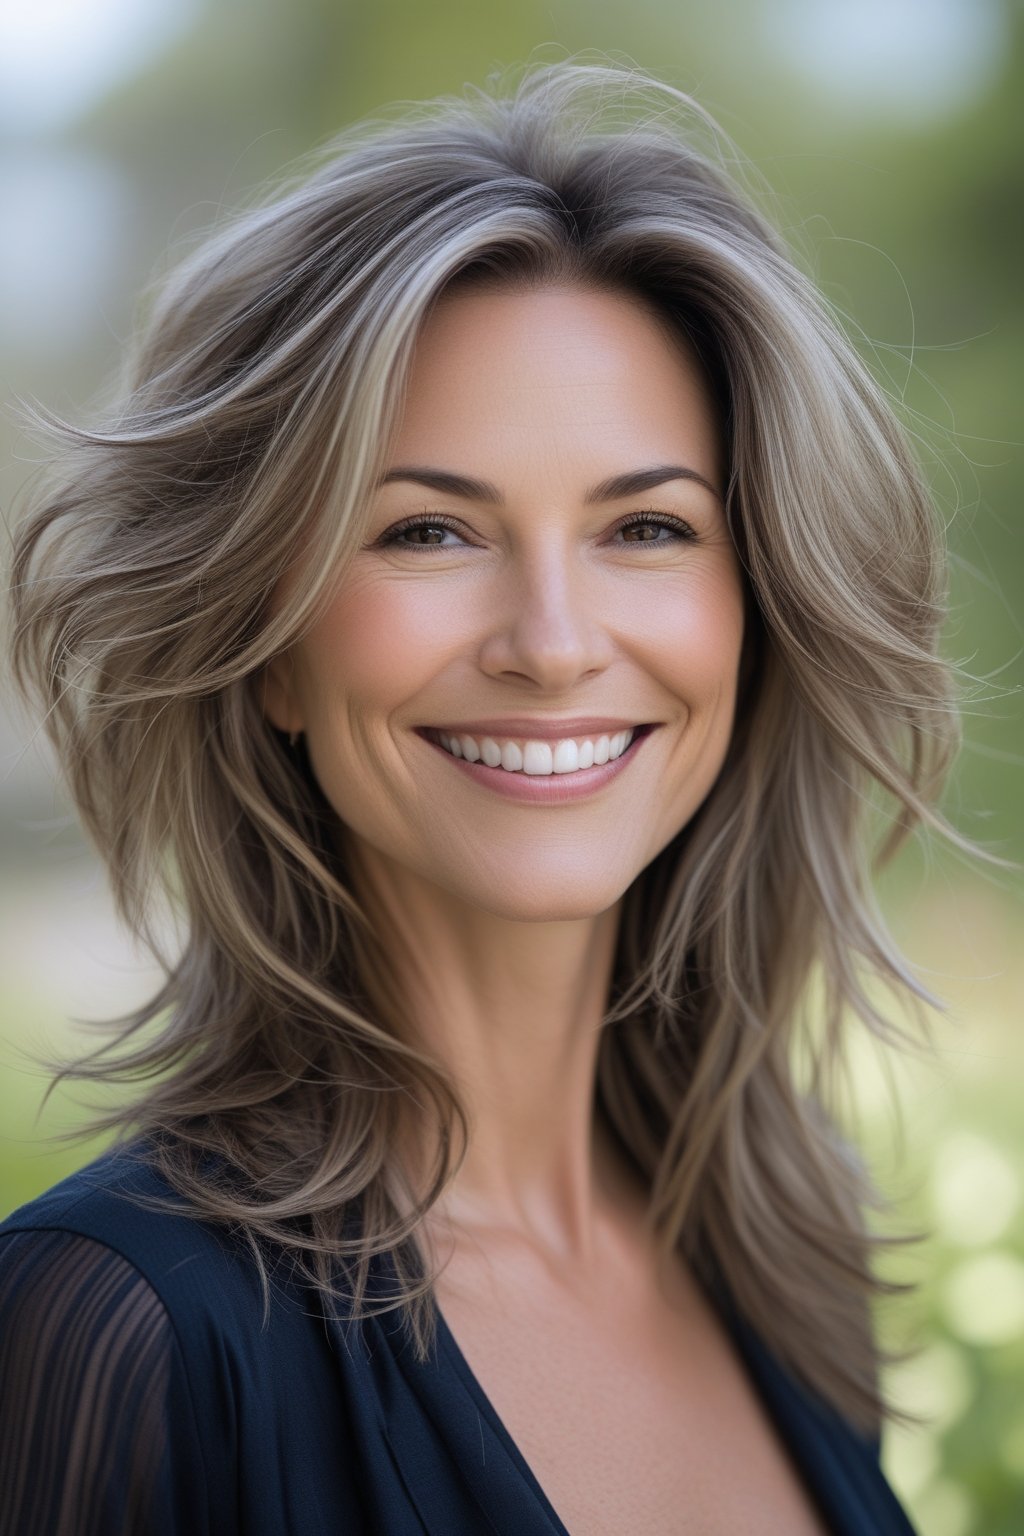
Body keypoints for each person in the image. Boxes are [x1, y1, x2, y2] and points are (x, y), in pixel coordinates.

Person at [0, 58, 968, 1535]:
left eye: (646, 526)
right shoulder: (119, 1328)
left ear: (756, 612)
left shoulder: (786, 1266)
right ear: (265, 642)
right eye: (431, 530)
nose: (556, 641)